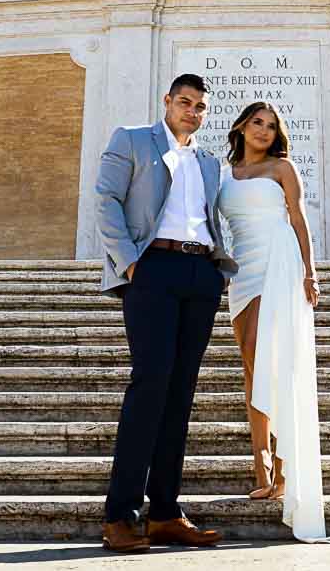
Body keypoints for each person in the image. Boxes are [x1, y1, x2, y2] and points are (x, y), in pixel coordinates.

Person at [96, 74, 239, 553]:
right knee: (151, 381)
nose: (192, 112)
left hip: (200, 274)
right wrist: (130, 261)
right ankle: (120, 514)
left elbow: (211, 217)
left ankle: (165, 512)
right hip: (152, 267)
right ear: (168, 102)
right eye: (185, 102)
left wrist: (219, 270)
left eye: (200, 106)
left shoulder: (207, 161)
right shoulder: (134, 140)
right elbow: (106, 200)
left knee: (180, 393)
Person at [218, 101, 330, 544]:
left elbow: (297, 218)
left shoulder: (283, 168)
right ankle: (262, 466)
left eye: (271, 126)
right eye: (257, 123)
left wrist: (310, 271)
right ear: (242, 127)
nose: (264, 131)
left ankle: (282, 472)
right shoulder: (223, 174)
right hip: (242, 270)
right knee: (252, 368)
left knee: (276, 365)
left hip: (280, 264)